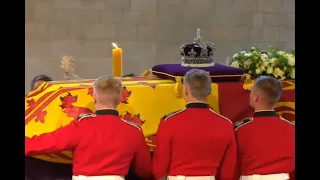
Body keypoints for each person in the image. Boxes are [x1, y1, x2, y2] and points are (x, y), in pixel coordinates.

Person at [25, 76, 152, 180]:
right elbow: (144, 170)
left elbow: (44, 144)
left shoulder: (82, 126)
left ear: (95, 97)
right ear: (119, 99)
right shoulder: (134, 131)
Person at [152, 69, 237, 180]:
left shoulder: (169, 122)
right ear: (209, 91)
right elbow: (228, 170)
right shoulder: (226, 124)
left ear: (186, 90)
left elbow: (159, 167)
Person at [234, 76, 295, 180]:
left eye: (251, 92)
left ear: (255, 97)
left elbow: (234, 165)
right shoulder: (291, 128)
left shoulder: (241, 130)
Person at [26, 74, 72, 180]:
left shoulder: (63, 113)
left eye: (46, 92)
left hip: (61, 170)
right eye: (38, 91)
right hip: (32, 168)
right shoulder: (27, 113)